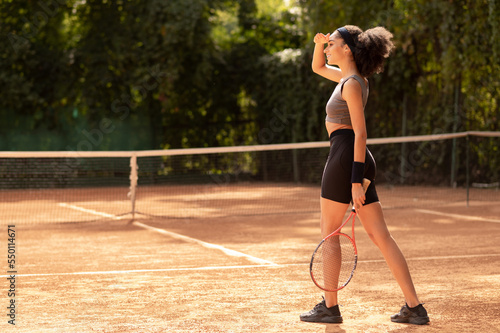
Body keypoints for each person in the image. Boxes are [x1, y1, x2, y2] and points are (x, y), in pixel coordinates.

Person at [299, 25, 429, 325]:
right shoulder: (346, 78)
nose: (328, 47)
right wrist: (318, 44)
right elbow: (317, 65)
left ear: (347, 49)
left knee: (329, 234)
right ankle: (414, 308)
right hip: (353, 160)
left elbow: (360, 133)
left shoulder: (352, 83)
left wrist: (355, 181)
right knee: (380, 235)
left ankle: (329, 307)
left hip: (346, 158)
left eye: (332, 43)